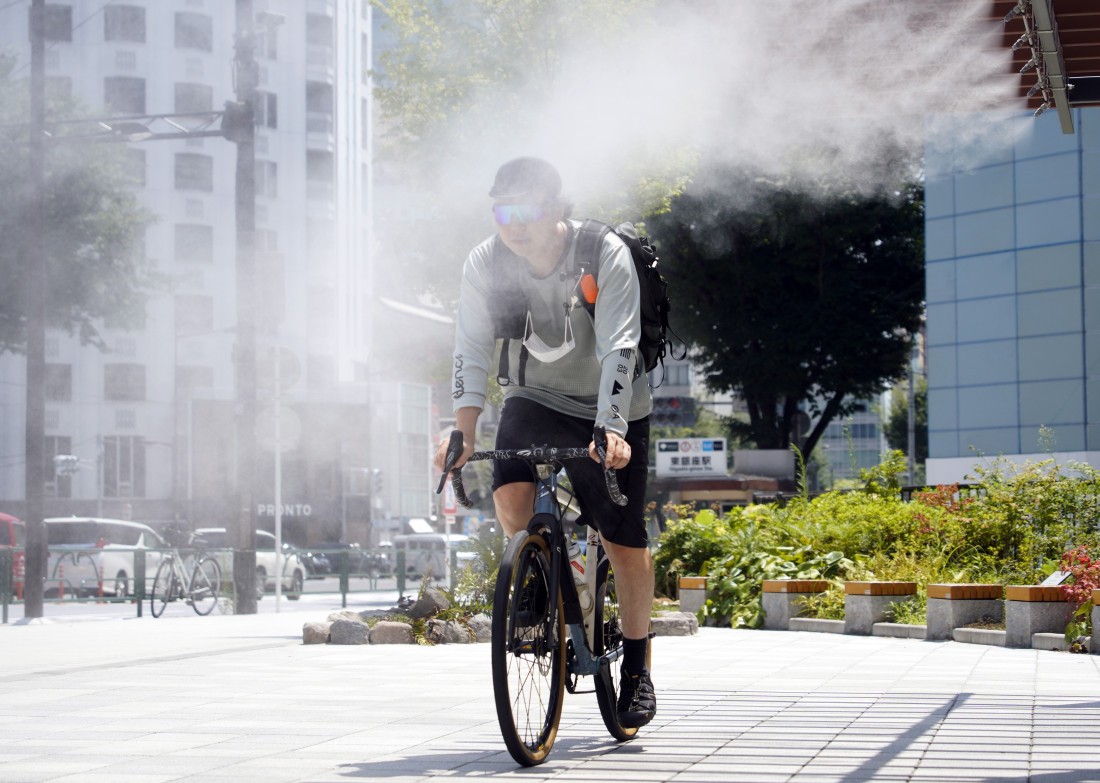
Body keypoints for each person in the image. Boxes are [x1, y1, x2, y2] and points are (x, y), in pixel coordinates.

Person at [433, 157, 656, 729]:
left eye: (528, 211)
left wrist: (612, 427)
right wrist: (463, 432)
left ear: (557, 208)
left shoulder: (602, 253)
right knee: (509, 494)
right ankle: (538, 582)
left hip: (611, 405)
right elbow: (471, 348)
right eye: (504, 211)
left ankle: (635, 669)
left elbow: (620, 345)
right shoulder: (486, 262)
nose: (515, 224)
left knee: (622, 537)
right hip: (533, 398)